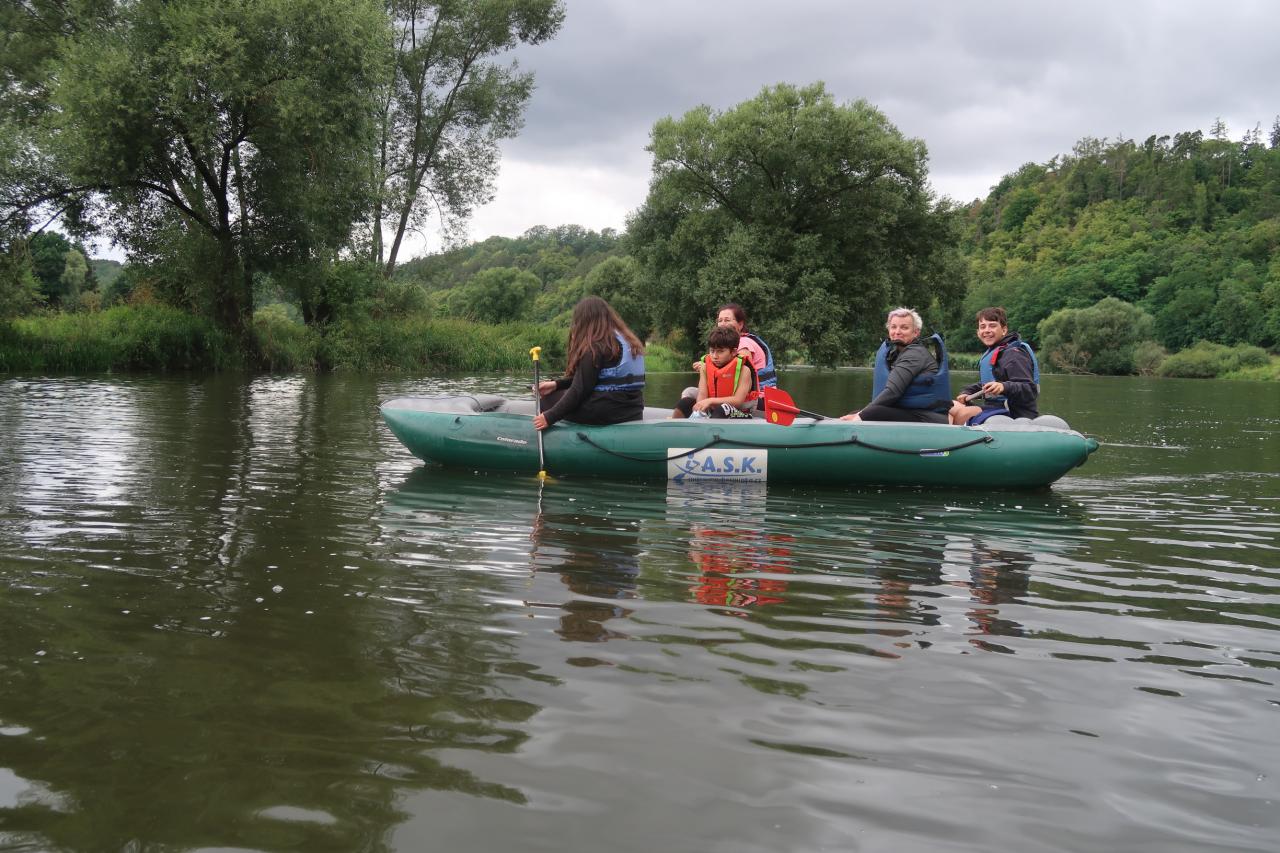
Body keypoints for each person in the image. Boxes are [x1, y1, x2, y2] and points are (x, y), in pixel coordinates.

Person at [533, 296, 645, 431]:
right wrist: (556, 384)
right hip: (633, 411)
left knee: (548, 399)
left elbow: (579, 390)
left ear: (584, 322)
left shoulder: (594, 347)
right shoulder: (627, 341)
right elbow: (591, 379)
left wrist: (549, 417)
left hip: (605, 413)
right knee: (558, 393)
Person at [840, 307, 950, 423]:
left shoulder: (915, 355)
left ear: (916, 332)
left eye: (904, 327)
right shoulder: (897, 354)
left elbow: (893, 392)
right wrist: (859, 413)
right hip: (910, 412)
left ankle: (851, 426)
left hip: (928, 418)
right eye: (893, 327)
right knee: (859, 412)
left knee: (872, 412)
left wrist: (861, 415)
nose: (897, 332)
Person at [948, 307, 1040, 425]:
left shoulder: (1014, 354)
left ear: (1004, 330)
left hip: (1014, 413)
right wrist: (968, 391)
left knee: (962, 413)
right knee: (948, 406)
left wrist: (1003, 387)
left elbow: (1029, 389)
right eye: (983, 327)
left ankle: (957, 434)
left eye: (992, 326)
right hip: (995, 409)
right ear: (978, 332)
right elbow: (989, 384)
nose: (987, 330)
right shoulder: (996, 352)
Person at [671, 325, 758, 419]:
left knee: (723, 408)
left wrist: (710, 401)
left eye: (720, 351)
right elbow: (702, 395)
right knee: (685, 403)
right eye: (712, 351)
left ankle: (710, 424)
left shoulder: (744, 370)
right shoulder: (705, 367)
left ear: (733, 352)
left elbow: (738, 401)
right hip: (713, 409)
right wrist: (699, 410)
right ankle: (675, 425)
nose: (715, 356)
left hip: (740, 412)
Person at [693, 303, 779, 390]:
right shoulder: (731, 343)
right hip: (736, 392)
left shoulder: (743, 343)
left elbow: (736, 372)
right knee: (690, 392)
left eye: (727, 320)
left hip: (760, 394)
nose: (722, 324)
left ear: (740, 324)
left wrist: (707, 367)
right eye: (720, 320)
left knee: (691, 393)